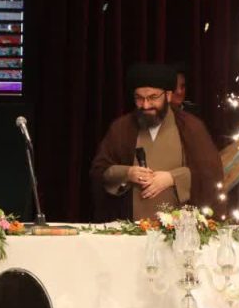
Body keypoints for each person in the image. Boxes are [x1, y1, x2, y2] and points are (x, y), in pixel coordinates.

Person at [90, 63, 223, 221]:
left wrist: (173, 178)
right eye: (139, 98)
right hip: (129, 228)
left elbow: (210, 175)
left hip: (178, 230)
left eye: (153, 97)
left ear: (168, 95)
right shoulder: (121, 128)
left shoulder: (191, 127)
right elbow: (100, 171)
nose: (145, 105)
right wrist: (127, 173)